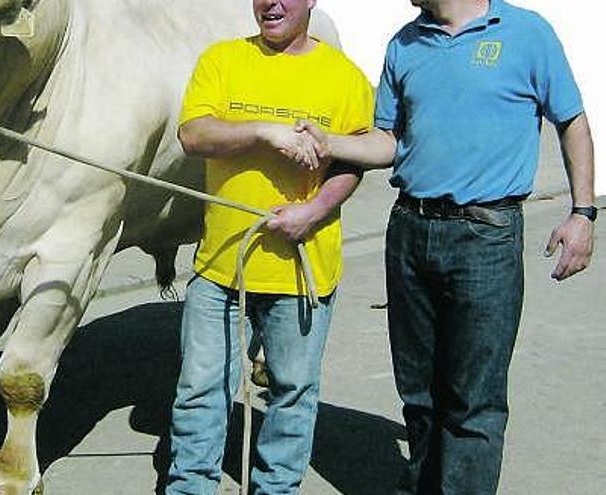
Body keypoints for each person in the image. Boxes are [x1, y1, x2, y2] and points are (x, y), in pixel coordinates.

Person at [299, 0, 596, 493]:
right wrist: (330, 143)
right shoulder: (404, 43)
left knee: (472, 402)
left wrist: (582, 211)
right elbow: (388, 140)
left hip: (486, 236)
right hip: (410, 231)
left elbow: (573, 120)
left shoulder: (526, 33)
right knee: (418, 394)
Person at [166, 0, 374, 493]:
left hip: (302, 271)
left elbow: (356, 158)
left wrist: (314, 211)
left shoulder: (343, 76)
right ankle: (189, 487)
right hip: (219, 268)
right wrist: (265, 132)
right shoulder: (222, 60)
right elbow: (193, 134)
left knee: (291, 393)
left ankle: (276, 489)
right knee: (199, 391)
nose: (271, 3)